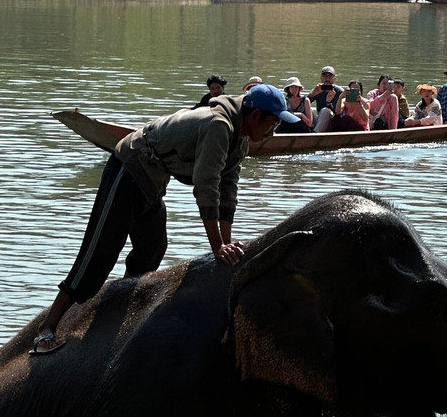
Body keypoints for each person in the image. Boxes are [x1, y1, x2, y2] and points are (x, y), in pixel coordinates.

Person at [31, 84, 298, 354]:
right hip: (128, 168)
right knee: (99, 254)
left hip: (152, 181)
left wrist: (226, 245)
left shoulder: (240, 138)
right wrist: (217, 247)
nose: (273, 131)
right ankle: (47, 327)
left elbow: (227, 187)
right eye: (272, 123)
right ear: (255, 116)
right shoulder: (219, 126)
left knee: (153, 248)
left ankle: (117, 307)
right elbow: (206, 187)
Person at [308, 65, 343, 133]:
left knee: (325, 111)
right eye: (325, 76)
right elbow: (303, 104)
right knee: (307, 111)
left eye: (329, 76)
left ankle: (315, 134)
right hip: (321, 120)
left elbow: (338, 113)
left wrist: (329, 102)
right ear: (321, 78)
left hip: (333, 122)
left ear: (334, 79)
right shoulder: (317, 89)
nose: (327, 78)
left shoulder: (339, 92)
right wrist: (312, 94)